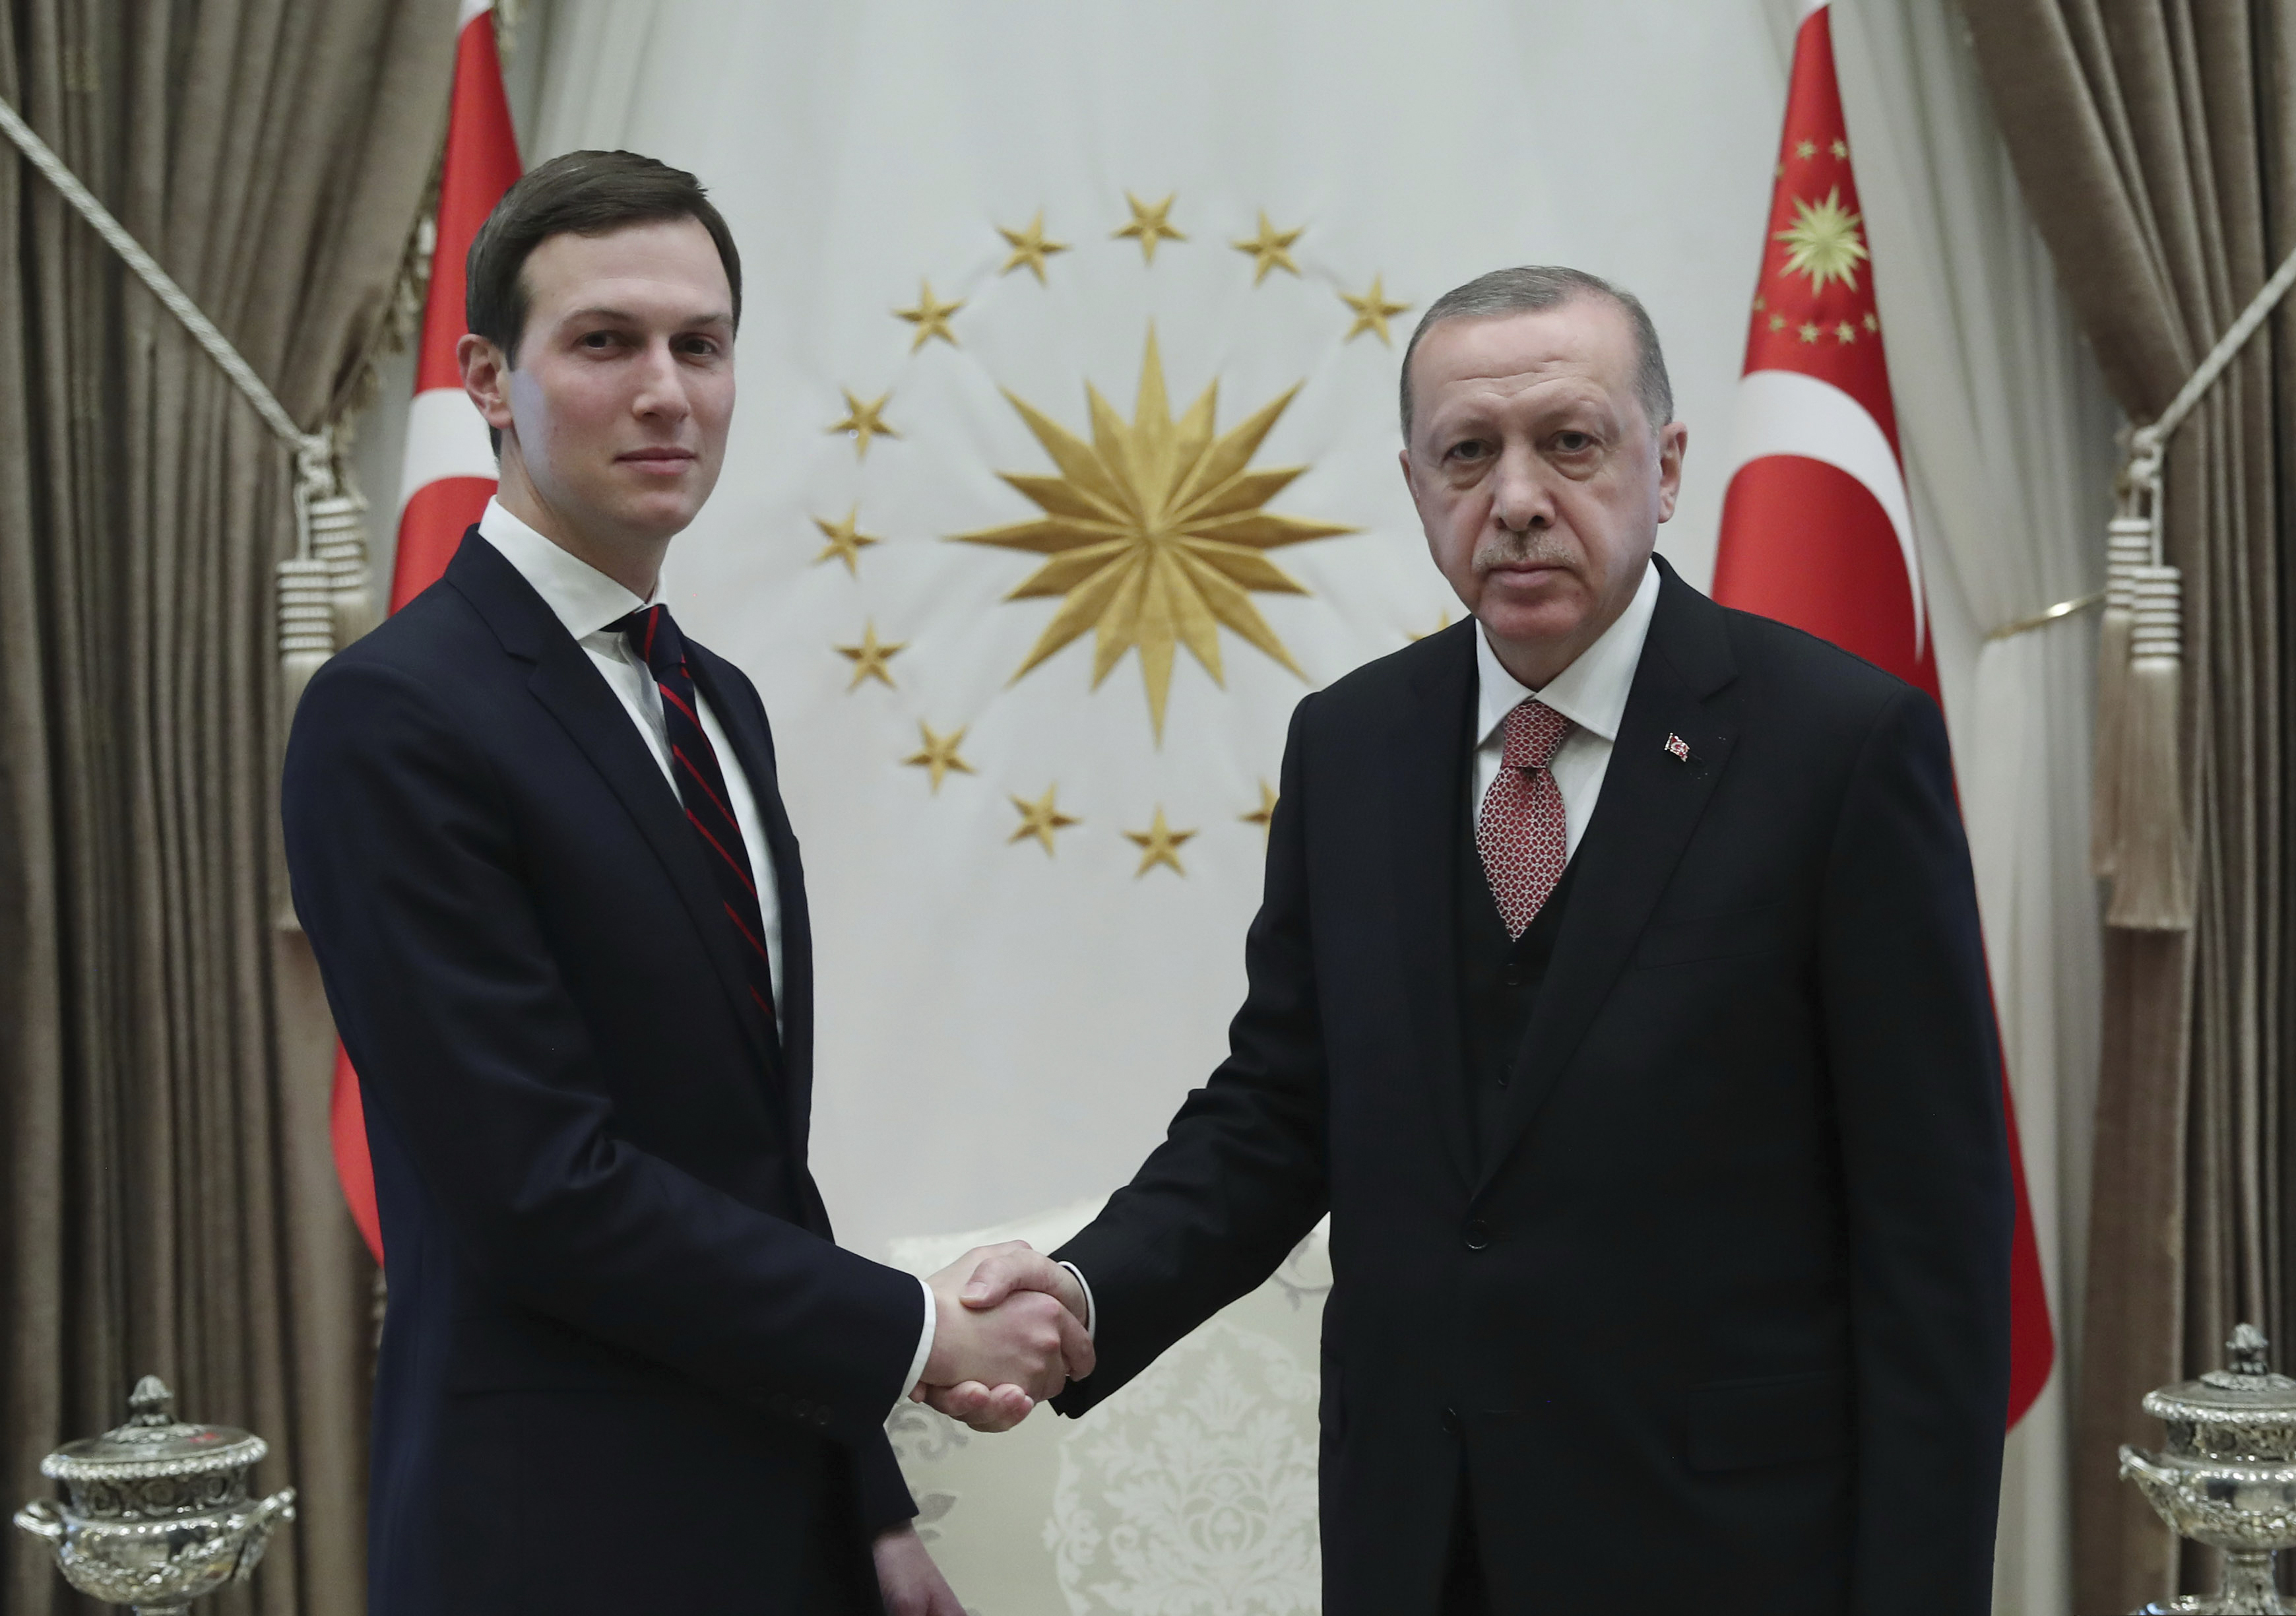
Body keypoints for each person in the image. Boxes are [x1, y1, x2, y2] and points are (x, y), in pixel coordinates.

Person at [940, 267, 2012, 1614]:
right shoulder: (1351, 746)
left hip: (1733, 1550)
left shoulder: (1842, 746)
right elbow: (1280, 1112)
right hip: (1418, 1541)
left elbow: (1938, 1242)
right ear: (1415, 486)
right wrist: (1085, 1292)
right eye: (1467, 453)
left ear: (1666, 465)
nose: (1514, 499)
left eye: (1570, 442)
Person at [282, 150, 1089, 1616]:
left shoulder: (712, 700)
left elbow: (744, 1164)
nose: (667, 390)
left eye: (699, 345)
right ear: (484, 378)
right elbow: (540, 1188)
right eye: (605, 342)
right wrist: (918, 1332)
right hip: (553, 1544)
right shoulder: (393, 716)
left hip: (777, 1528)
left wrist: (870, 1501)